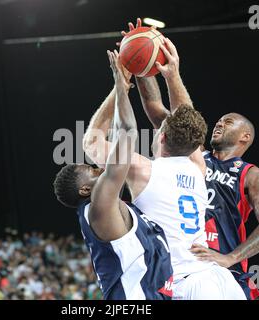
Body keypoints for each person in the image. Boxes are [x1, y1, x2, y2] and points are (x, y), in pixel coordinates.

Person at [83, 23, 245, 300]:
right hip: (218, 279)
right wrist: (169, 73)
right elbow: (187, 121)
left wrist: (120, 86)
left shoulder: (142, 170)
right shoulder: (198, 167)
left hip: (184, 283)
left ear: (161, 136)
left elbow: (91, 143)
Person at [131, 18, 259, 299]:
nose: (219, 123)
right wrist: (141, 64)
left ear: (245, 137)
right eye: (220, 120)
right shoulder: (193, 157)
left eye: (228, 121)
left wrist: (231, 257)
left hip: (225, 273)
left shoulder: (250, 174)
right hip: (185, 271)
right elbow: (159, 112)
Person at [53, 50, 173, 300]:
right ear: (85, 190)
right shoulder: (100, 206)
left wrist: (124, 84)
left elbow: (102, 135)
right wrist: (120, 83)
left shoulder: (112, 207)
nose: (100, 168)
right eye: (93, 170)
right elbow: (127, 132)